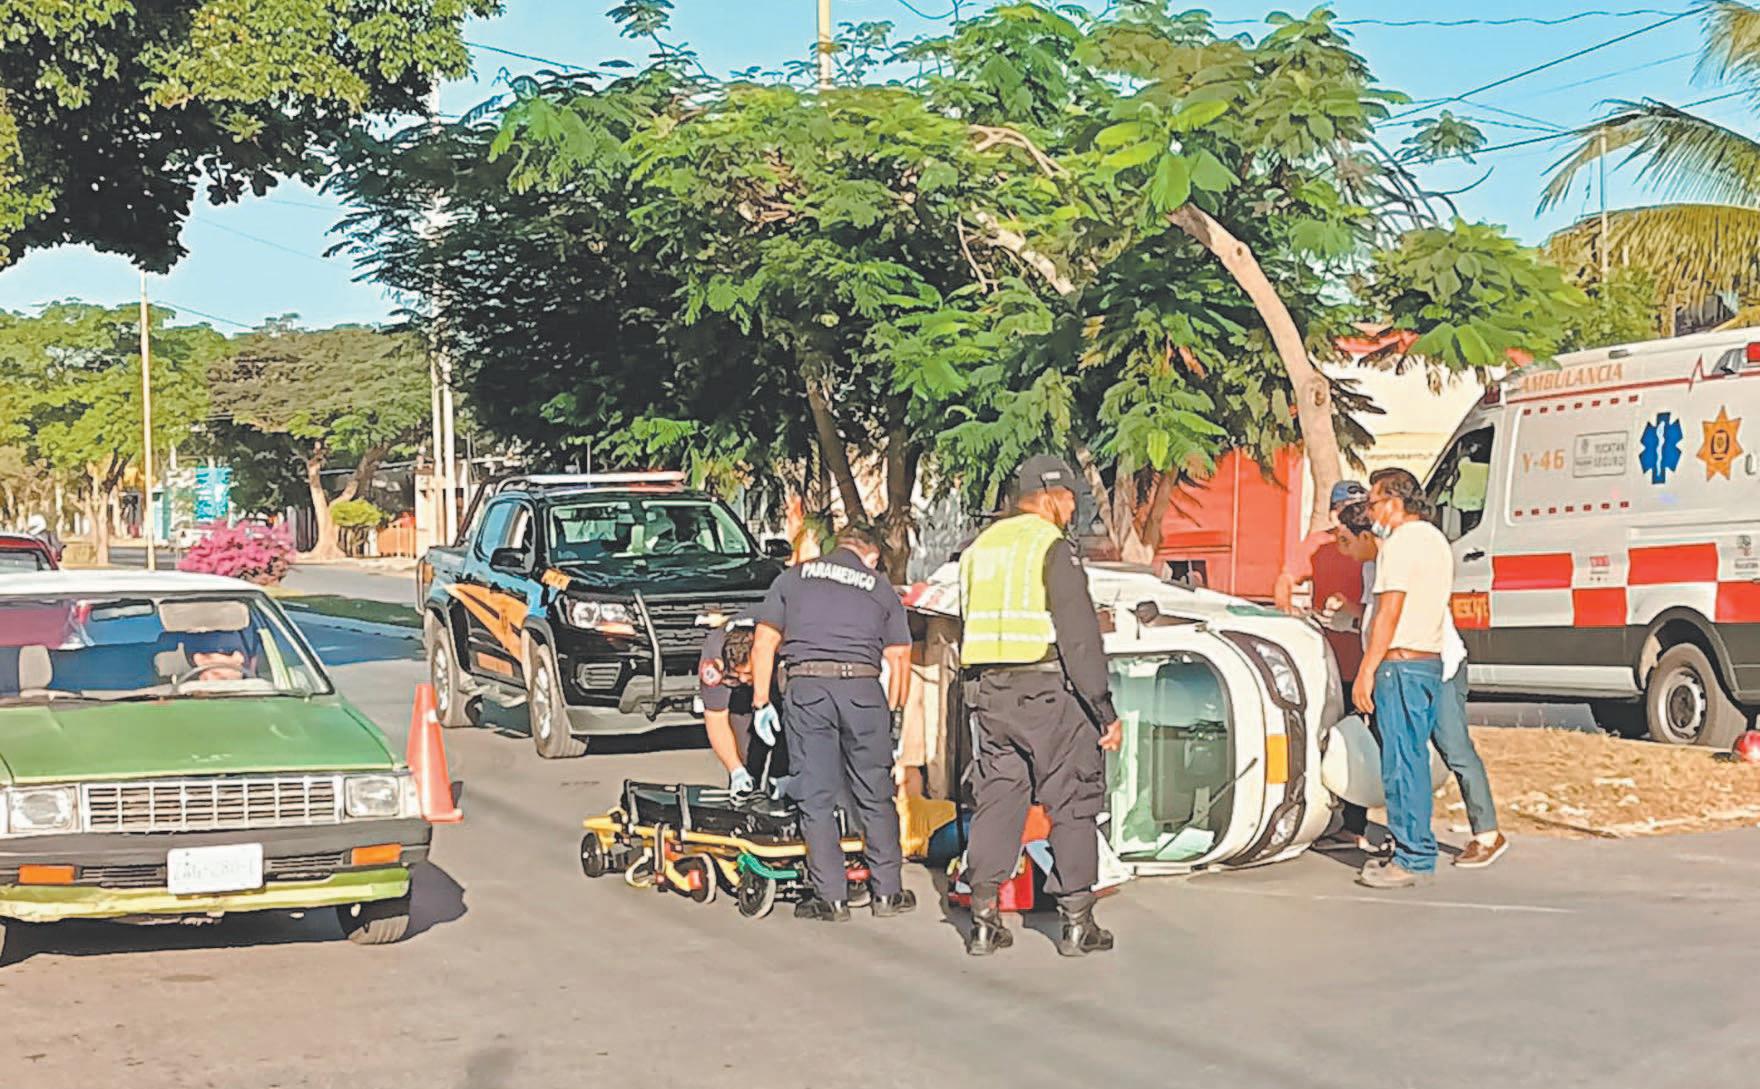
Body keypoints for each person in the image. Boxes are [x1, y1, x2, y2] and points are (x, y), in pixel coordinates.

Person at [959, 455, 1124, 958]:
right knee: (1072, 800)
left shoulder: (979, 549)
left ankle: (983, 921)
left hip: (990, 696)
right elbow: (1080, 637)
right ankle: (1077, 924)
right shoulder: (1051, 547)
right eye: (1070, 499)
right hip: (1049, 694)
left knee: (999, 799)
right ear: (1051, 496)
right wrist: (1104, 711)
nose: (1072, 510)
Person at [1320, 500, 1507, 867]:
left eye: (1345, 540)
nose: (1343, 550)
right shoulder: (1375, 566)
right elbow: (1376, 618)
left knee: (1450, 746)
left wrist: (1367, 671)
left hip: (1437, 666)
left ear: (1365, 535)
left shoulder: (1398, 553)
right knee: (1399, 751)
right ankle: (1402, 834)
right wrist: (1350, 618)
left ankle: (1485, 832)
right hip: (1403, 664)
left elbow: (1392, 618)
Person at [749, 523, 914, 922]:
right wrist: (894, 716)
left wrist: (760, 702)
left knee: (816, 796)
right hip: (862, 691)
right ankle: (888, 893)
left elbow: (764, 642)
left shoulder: (793, 578)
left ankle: (831, 898)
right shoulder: (879, 587)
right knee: (875, 793)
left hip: (808, 689)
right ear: (870, 554)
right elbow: (899, 658)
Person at [1353, 469, 1456, 888]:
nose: (1370, 513)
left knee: (1400, 763)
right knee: (1413, 759)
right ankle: (1416, 848)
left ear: (1394, 503)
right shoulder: (1436, 541)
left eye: (1373, 503)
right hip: (1427, 662)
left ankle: (1411, 855)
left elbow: (1388, 613)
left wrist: (1366, 670)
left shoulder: (1399, 545)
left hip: (1399, 664)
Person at [1274, 481, 1369, 685]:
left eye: (1361, 508)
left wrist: (1351, 610)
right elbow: (1286, 578)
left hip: (1365, 652)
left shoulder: (1371, 544)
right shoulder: (1317, 544)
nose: (1357, 515)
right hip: (1327, 651)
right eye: (1350, 509)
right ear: (1334, 514)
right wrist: (1285, 607)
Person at [697, 618, 772, 794]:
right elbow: (716, 719)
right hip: (740, 696)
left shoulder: (772, 641)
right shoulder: (714, 662)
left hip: (778, 676)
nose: (744, 679)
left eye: (748, 673)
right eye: (738, 673)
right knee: (744, 748)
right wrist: (735, 769)